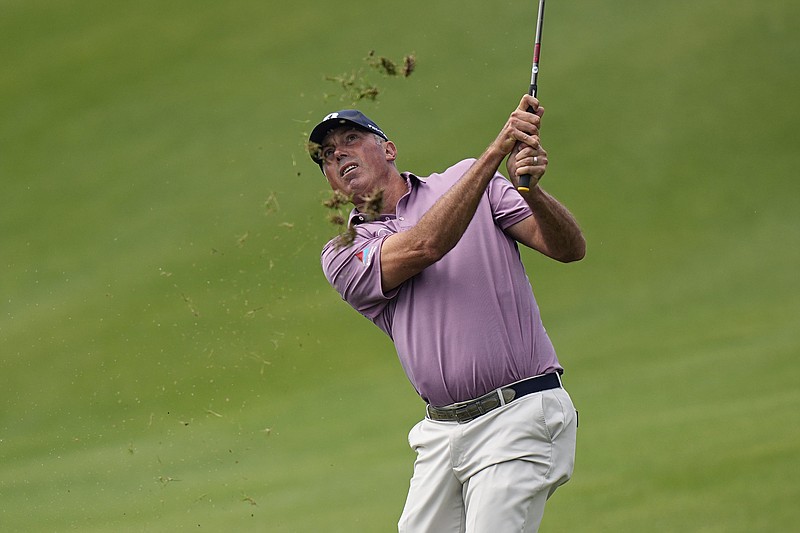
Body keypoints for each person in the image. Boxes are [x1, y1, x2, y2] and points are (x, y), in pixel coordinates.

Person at [309, 94, 585, 532]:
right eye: (327, 155)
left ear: (389, 148)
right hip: (441, 434)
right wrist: (495, 153)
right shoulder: (343, 253)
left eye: (351, 139)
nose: (339, 153)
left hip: (518, 411)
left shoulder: (466, 180)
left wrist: (534, 193)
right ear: (329, 181)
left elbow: (569, 249)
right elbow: (425, 246)